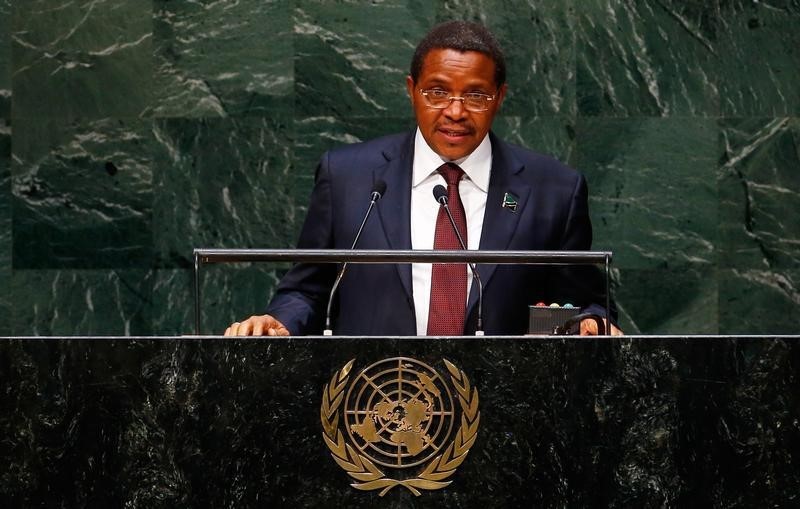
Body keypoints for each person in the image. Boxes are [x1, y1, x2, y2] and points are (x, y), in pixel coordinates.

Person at [225, 21, 622, 337]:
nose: (455, 111)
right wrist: (279, 324)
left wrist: (589, 323)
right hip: (372, 409)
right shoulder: (348, 176)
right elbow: (307, 290)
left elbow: (588, 304)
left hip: (505, 419)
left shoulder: (554, 190)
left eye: (476, 96)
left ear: (500, 98)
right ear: (411, 90)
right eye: (437, 92)